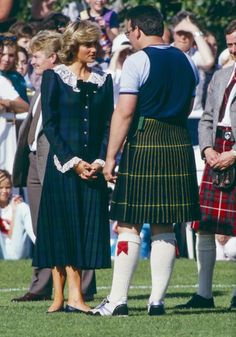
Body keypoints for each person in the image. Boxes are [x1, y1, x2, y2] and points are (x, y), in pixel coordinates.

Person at [92, 5, 200, 316]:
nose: (128, 36)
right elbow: (189, 103)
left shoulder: (137, 60)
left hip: (145, 140)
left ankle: (117, 301)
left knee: (128, 224)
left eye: (128, 31)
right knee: (165, 224)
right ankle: (157, 302)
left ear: (138, 29)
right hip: (178, 140)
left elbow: (124, 112)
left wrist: (110, 157)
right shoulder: (185, 60)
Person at [32, 20, 113, 313]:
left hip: (93, 167)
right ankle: (59, 296)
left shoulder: (104, 80)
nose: (93, 49)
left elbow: (107, 124)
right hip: (63, 165)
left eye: (95, 43)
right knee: (60, 230)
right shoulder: (54, 77)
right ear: (73, 46)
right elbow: (50, 125)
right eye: (87, 44)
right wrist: (74, 161)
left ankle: (75, 296)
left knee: (82, 229)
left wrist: (101, 160)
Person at [11, 29, 97, 304]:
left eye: (37, 56)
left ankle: (82, 286)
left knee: (68, 221)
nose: (31, 61)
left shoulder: (64, 81)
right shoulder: (43, 81)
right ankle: (43, 283)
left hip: (57, 158)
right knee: (42, 227)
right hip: (35, 159)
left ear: (53, 57)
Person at [176, 19, 236, 311]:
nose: (234, 50)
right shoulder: (221, 76)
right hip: (216, 151)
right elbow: (207, 118)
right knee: (205, 226)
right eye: (230, 44)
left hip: (235, 152)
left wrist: (235, 153)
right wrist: (208, 148)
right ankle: (204, 294)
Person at [0, 169, 35, 260]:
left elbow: (10, 236)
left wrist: (15, 212)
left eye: (7, 187)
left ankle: (42, 246)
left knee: (22, 207)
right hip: (2, 252)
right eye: (0, 187)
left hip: (14, 251)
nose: (4, 191)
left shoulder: (16, 204)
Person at [80, 0, 119, 66]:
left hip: (110, 57)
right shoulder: (82, 16)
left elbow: (116, 40)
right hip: (92, 59)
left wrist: (107, 27)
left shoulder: (111, 14)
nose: (100, 1)